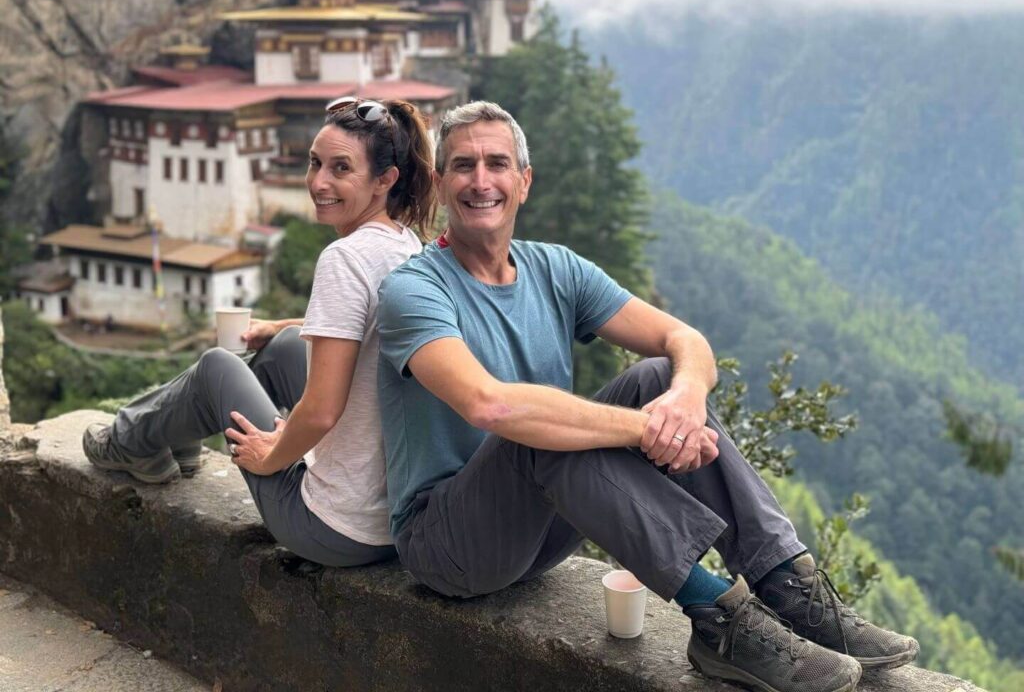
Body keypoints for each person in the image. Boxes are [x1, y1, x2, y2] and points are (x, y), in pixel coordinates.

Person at [376, 101, 918, 692]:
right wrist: (644, 430)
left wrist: (683, 398)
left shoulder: (554, 269)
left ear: (523, 181)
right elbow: (491, 407)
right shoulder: (414, 290)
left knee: (659, 374)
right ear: (439, 181)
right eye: (463, 165)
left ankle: (788, 585)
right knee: (538, 429)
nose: (482, 181)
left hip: (543, 531)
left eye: (497, 164)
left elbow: (685, 339)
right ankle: (720, 621)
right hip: (449, 544)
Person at [83, 96, 435, 568]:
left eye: (341, 168)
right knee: (288, 343)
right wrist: (283, 325)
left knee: (216, 366)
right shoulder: (405, 243)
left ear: (384, 180)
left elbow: (322, 411)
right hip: (391, 515)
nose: (319, 182)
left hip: (334, 527)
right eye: (315, 163)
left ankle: (129, 442)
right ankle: (176, 438)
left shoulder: (344, 258)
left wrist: (271, 457)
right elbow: (365, 332)